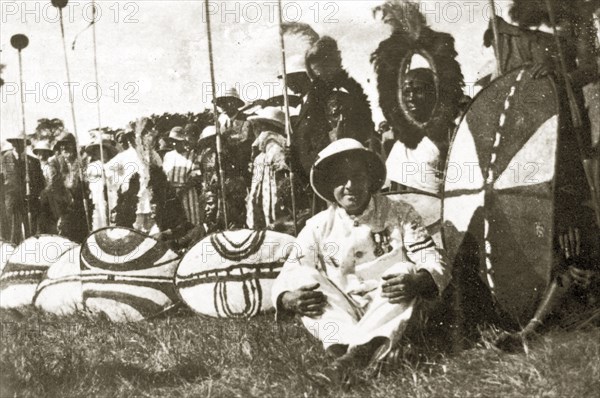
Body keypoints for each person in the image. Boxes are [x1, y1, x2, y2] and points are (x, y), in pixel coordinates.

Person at [271, 139, 450, 381]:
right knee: (303, 277)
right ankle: (352, 350)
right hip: (344, 309)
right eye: (339, 179)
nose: (349, 186)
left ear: (370, 178)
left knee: (403, 268)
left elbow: (430, 255)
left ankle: (353, 357)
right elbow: (291, 269)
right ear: (328, 185)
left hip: (389, 305)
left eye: (357, 176)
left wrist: (419, 280)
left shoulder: (400, 213)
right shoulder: (319, 225)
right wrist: (289, 299)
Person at [0, 135, 45, 244]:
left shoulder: (33, 161)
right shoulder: (4, 159)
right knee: (13, 231)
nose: (18, 145)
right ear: (12, 144)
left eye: (21, 143)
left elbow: (41, 182)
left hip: (29, 200)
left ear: (25, 145)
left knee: (30, 229)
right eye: (15, 143)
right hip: (12, 200)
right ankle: (12, 251)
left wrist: (33, 193)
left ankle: (31, 251)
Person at [162, 126, 202, 226]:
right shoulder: (168, 156)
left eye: (177, 141)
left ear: (184, 141)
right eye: (172, 141)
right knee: (174, 222)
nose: (174, 144)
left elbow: (196, 176)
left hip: (187, 192)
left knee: (190, 220)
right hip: (171, 194)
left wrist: (182, 190)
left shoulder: (192, 155)